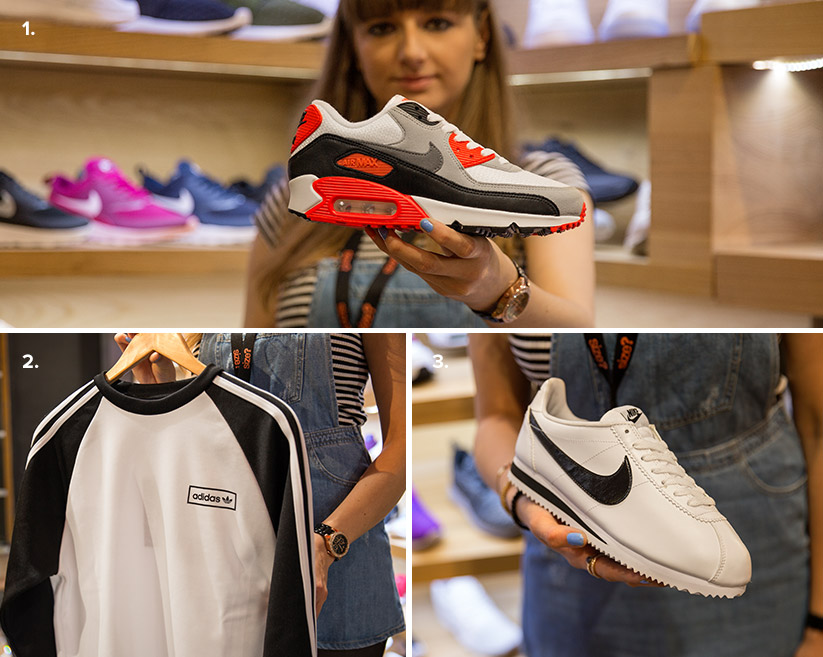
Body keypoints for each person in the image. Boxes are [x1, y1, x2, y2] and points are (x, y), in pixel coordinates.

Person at [244, 0, 595, 328]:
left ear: (481, 36)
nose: (411, 52)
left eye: (437, 23)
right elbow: (257, 350)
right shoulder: (291, 201)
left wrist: (498, 289)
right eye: (382, 28)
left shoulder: (545, 178)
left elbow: (582, 338)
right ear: (353, 47)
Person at [469, 333, 822, 657]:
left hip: (757, 526)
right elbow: (495, 417)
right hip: (572, 548)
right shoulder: (501, 291)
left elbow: (818, 420)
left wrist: (820, 625)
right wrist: (519, 497)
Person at [114, 333, 406, 657]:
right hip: (222, 559)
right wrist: (163, 391)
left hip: (340, 567)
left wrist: (325, 544)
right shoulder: (191, 321)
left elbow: (402, 450)